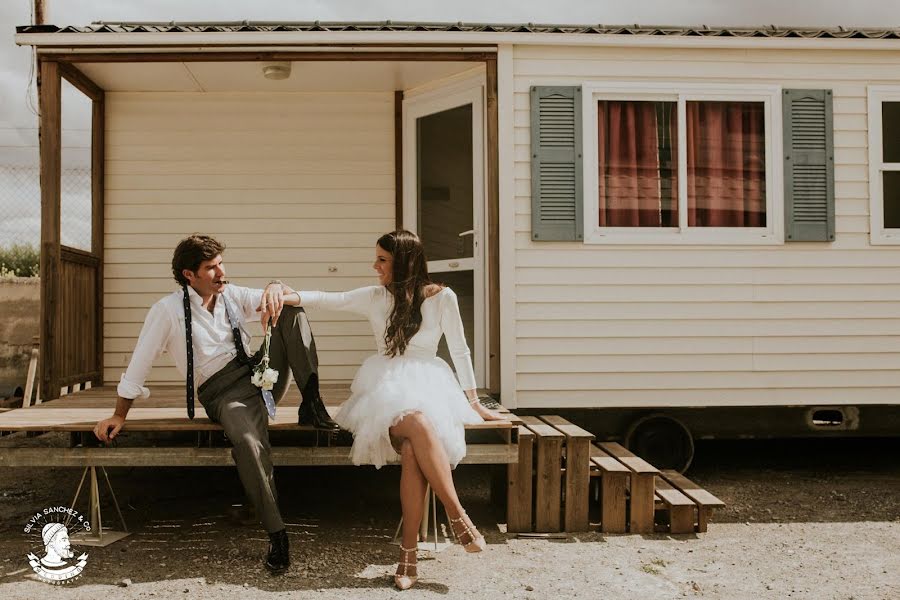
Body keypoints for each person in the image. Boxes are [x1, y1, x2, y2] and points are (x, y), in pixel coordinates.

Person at [92, 234, 339, 574]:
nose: (221, 273)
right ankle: (277, 533)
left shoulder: (230, 294)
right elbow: (140, 363)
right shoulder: (167, 311)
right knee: (251, 444)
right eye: (211, 268)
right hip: (223, 392)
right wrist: (119, 414)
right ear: (188, 275)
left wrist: (274, 285)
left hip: (257, 371)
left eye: (222, 264)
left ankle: (311, 402)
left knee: (291, 310)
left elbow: (280, 296)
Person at [288, 230, 506, 590]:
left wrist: (473, 403)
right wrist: (281, 291)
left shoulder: (442, 298)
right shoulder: (375, 297)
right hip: (384, 387)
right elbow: (329, 298)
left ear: (403, 262)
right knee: (416, 422)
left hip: (433, 384)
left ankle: (408, 560)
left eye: (382, 260)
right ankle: (459, 517)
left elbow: (461, 349)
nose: (375, 266)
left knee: (410, 452)